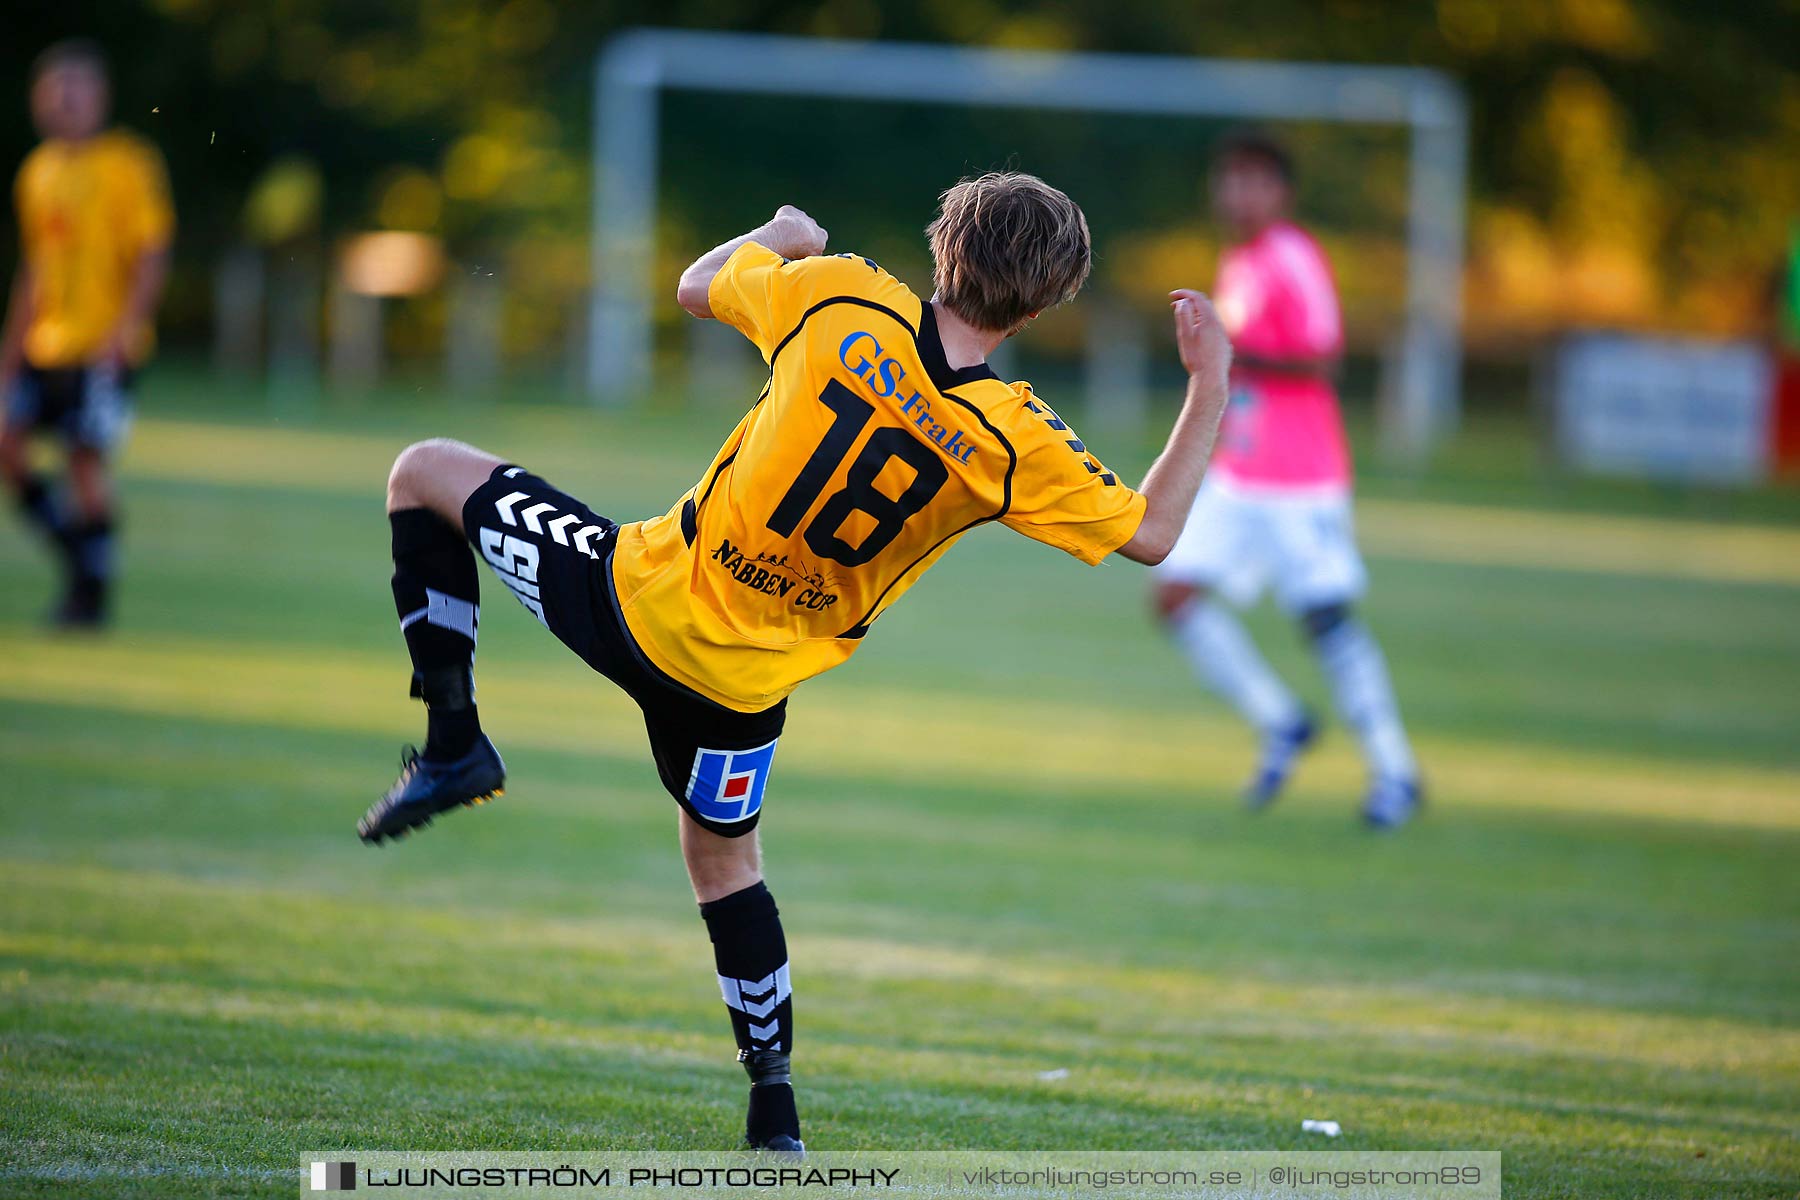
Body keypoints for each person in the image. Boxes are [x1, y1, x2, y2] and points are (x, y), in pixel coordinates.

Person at [356, 172, 1234, 1150]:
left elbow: (697, 286)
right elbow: (1153, 532)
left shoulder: (846, 296)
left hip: (631, 603)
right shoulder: (1014, 439)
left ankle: (452, 743)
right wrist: (1208, 386)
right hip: (739, 694)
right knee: (726, 868)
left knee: (424, 472)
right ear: (1041, 306)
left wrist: (778, 231)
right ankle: (774, 1113)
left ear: (944, 239)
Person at [1150, 131, 1422, 829]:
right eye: (1229, 179)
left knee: (1324, 617)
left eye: (1253, 181)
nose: (1237, 194)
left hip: (1301, 478)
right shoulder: (1238, 259)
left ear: (1282, 192)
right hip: (1241, 472)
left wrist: (1227, 356)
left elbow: (1323, 359)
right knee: (1174, 595)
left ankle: (1395, 770)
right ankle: (1282, 720)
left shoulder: (1294, 257)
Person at [0, 39, 173, 628]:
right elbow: (36, 268)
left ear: (100, 96)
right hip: (45, 345)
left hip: (103, 348)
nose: (65, 101)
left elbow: (151, 252)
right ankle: (82, 558)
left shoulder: (127, 163)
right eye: (54, 90)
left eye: (77, 88)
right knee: (8, 442)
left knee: (82, 462)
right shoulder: (37, 172)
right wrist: (11, 348)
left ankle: (89, 598)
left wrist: (126, 330)